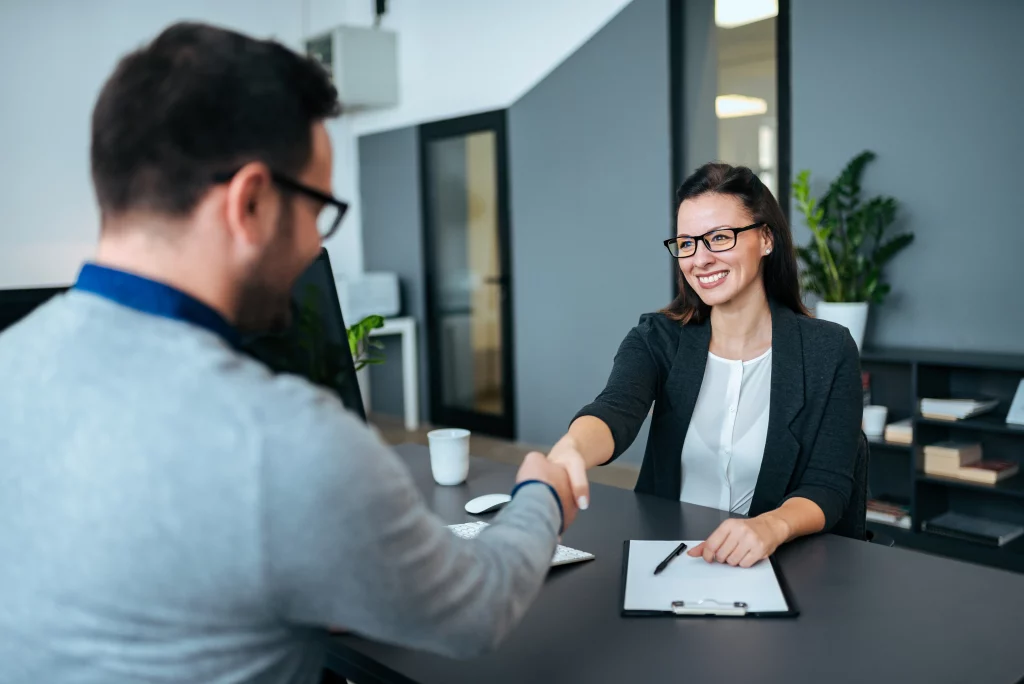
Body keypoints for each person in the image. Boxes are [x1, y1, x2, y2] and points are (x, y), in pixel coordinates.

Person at [0, 23, 577, 684]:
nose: (314, 245)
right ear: (249, 202)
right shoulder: (279, 439)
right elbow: (477, 608)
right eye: (317, 211)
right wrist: (542, 494)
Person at [546, 162, 864, 568]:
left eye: (719, 237)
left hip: (778, 561)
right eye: (686, 243)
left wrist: (771, 526)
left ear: (766, 238)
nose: (700, 259)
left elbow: (828, 485)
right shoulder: (657, 338)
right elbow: (615, 410)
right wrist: (571, 449)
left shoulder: (828, 349)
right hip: (669, 556)